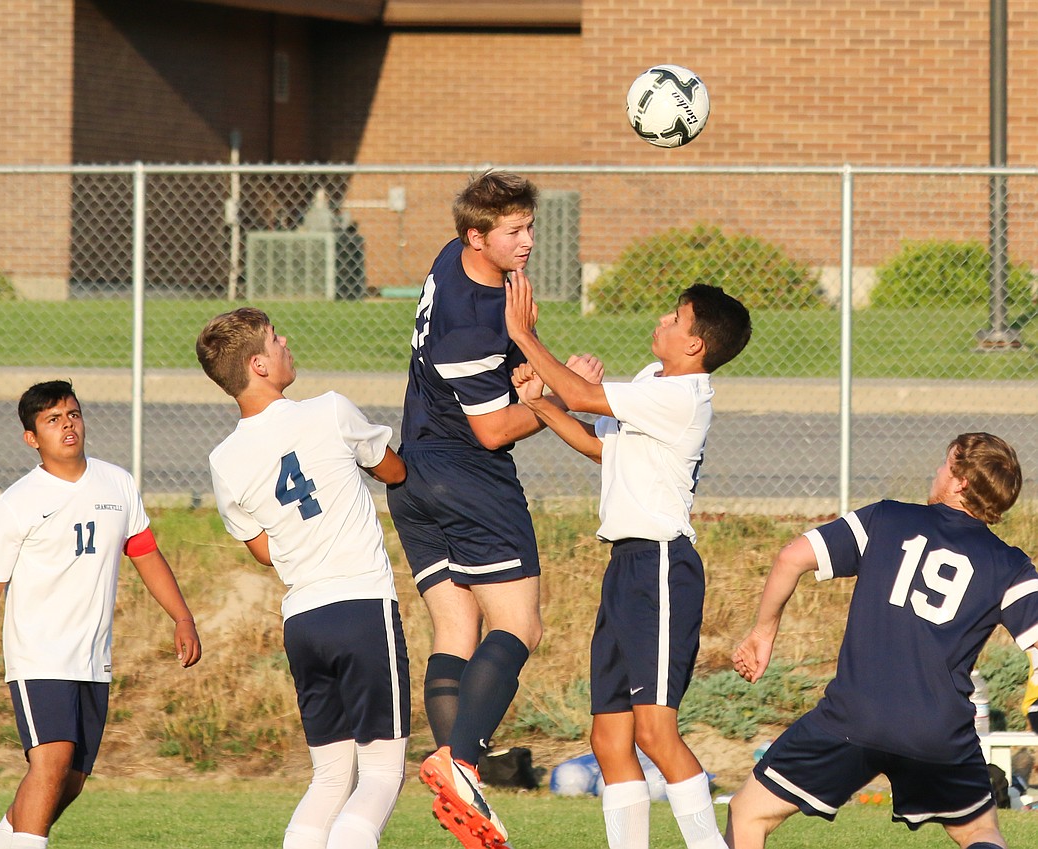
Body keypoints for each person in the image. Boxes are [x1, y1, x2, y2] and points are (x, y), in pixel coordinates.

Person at [387, 170, 602, 849]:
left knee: (456, 629)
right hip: (468, 476)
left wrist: (519, 351)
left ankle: (463, 792)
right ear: (477, 236)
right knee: (521, 624)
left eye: (530, 227)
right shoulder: (473, 322)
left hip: (415, 471)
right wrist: (556, 396)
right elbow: (492, 430)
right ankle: (462, 763)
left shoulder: (454, 259)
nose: (529, 241)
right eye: (514, 231)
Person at [505, 274, 752, 849]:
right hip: (625, 566)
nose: (663, 321)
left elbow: (588, 396)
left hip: (663, 567)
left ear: (694, 344)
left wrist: (524, 334)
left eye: (675, 318)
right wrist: (539, 403)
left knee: (656, 731)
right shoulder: (653, 381)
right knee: (609, 739)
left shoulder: (683, 395)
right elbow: (600, 444)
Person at [728, 432, 1038, 849]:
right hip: (938, 731)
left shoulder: (887, 518)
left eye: (946, 464)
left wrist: (762, 634)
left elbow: (791, 557)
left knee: (748, 813)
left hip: (854, 717)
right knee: (980, 832)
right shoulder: (1011, 566)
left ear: (960, 481)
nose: (938, 470)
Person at [196, 307, 410, 849]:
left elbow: (263, 552)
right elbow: (395, 470)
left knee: (332, 775)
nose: (286, 340)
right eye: (274, 338)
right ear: (259, 364)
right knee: (382, 771)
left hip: (303, 621)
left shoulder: (225, 459)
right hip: (361, 603)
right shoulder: (329, 411)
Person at [0, 380, 202, 849]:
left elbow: (145, 552)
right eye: (52, 420)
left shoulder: (117, 483)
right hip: (38, 657)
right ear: (32, 438)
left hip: (92, 660)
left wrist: (182, 617)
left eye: (72, 414)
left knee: (68, 781)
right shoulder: (16, 503)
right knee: (50, 765)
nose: (67, 425)